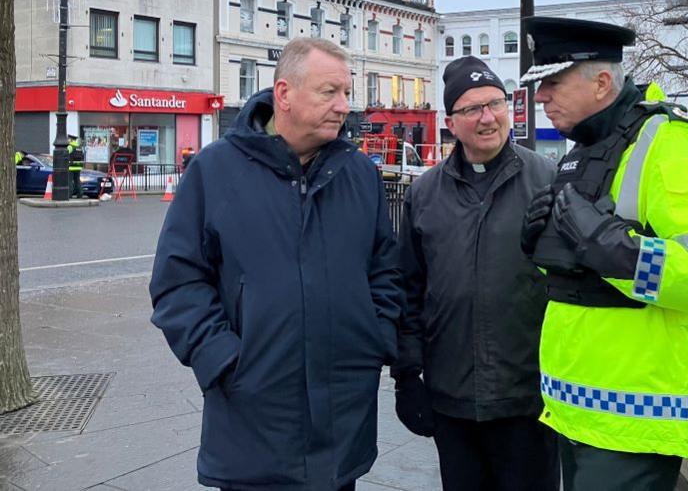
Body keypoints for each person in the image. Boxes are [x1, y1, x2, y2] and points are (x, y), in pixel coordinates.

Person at [149, 37, 402, 491]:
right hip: (252, 423)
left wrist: (375, 337)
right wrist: (222, 359)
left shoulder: (360, 174)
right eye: (330, 92)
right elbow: (177, 282)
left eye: (347, 92)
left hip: (343, 422)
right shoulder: (214, 170)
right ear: (284, 94)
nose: (344, 106)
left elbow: (385, 268)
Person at [519, 16, 688, 491]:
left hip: (637, 419)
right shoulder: (585, 149)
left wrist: (602, 243)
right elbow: (579, 274)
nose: (541, 97)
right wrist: (542, 249)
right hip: (576, 410)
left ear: (601, 82)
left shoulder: (671, 144)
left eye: (552, 83)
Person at [392, 56, 559, 491]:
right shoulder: (425, 193)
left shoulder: (547, 179)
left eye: (496, 104)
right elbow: (408, 290)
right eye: (472, 109)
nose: (488, 118)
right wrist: (406, 376)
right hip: (452, 399)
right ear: (451, 121)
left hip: (529, 398)